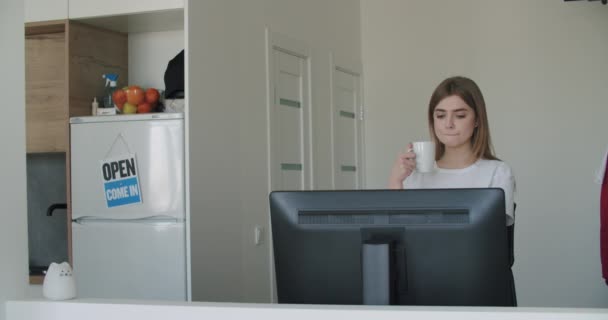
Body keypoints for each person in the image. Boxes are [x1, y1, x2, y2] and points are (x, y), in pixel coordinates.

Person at [388, 76, 516, 225]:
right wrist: (395, 181)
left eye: (460, 116)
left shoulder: (497, 172)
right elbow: (396, 229)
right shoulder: (413, 176)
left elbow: (495, 236)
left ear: (477, 120)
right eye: (441, 116)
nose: (448, 124)